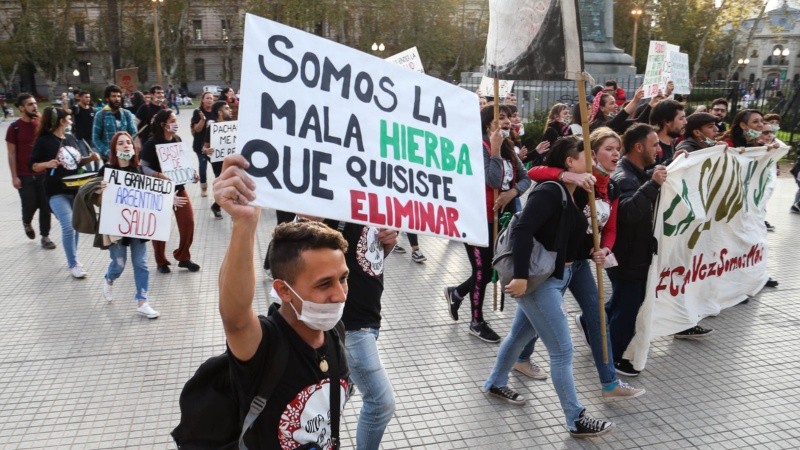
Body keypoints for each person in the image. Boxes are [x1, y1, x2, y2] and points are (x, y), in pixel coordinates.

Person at [482, 136, 615, 438]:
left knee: (519, 335)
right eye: (586, 155)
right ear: (570, 162)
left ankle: (495, 383)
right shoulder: (550, 191)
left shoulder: (574, 193)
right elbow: (523, 230)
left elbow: (567, 237)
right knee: (563, 352)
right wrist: (520, 276)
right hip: (538, 282)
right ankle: (576, 419)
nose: (593, 159)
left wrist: (592, 252)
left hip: (555, 277)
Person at [213, 158, 350, 448]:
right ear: (283, 291)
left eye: (343, 278)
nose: (340, 295)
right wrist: (244, 223)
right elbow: (235, 319)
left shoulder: (335, 333)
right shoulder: (265, 345)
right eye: (324, 284)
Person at [521, 128, 645, 399]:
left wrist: (604, 248)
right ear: (592, 154)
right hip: (554, 264)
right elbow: (534, 173)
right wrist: (567, 176)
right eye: (608, 149)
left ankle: (609, 383)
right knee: (529, 323)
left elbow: (610, 228)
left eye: (618, 148)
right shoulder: (577, 179)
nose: (616, 154)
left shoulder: (611, 186)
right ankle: (516, 361)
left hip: (580, 265)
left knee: (598, 317)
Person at [443, 104, 531, 343]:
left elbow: (526, 178)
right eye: (500, 118)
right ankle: (476, 321)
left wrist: (512, 192)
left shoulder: (509, 147)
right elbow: (492, 179)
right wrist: (494, 150)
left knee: (492, 268)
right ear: (486, 123)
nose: (507, 122)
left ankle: (457, 292)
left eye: (508, 117)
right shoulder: (477, 148)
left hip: (501, 220)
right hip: (476, 219)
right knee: (482, 270)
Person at [30, 107, 101, 278]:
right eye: (68, 118)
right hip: (55, 191)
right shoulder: (43, 141)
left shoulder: (70, 138)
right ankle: (73, 263)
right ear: (60, 121)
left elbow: (76, 162)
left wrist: (90, 158)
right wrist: (47, 164)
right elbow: (33, 166)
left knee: (75, 226)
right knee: (68, 225)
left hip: (75, 190)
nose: (70, 120)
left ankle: (73, 258)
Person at [96, 132, 160, 319]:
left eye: (128, 143)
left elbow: (150, 197)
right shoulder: (106, 171)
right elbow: (97, 202)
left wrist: (168, 201)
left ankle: (142, 302)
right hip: (115, 227)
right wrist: (101, 192)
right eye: (121, 143)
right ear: (114, 149)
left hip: (137, 226)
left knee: (141, 263)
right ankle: (109, 278)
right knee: (119, 263)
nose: (126, 146)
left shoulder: (139, 170)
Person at [139, 109, 200, 274]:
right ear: (163, 124)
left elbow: (182, 163)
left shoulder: (177, 139)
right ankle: (161, 261)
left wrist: (192, 174)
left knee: (188, 222)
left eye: (176, 120)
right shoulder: (151, 144)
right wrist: (159, 175)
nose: (176, 123)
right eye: (172, 121)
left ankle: (183, 257)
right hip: (159, 191)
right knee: (160, 226)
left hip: (178, 188)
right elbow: (143, 167)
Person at [5, 94, 56, 249]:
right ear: (21, 108)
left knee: (45, 205)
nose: (34, 106)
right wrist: (14, 177)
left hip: (43, 172)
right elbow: (11, 154)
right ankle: (27, 222)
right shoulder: (14, 128)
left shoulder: (41, 124)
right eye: (30, 104)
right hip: (24, 174)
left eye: (35, 103)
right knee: (30, 204)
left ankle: (45, 236)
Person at [202, 100, 234, 219]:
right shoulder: (212, 128)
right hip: (219, 163)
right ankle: (217, 206)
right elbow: (204, 147)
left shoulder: (233, 126)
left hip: (233, 161)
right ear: (220, 112)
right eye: (227, 108)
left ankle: (218, 206)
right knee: (224, 186)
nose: (230, 110)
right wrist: (206, 150)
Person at [92, 84, 137, 161]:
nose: (117, 99)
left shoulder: (126, 114)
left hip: (126, 156)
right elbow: (95, 138)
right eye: (113, 96)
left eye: (119, 96)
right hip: (109, 158)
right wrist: (108, 152)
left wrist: (127, 147)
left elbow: (133, 133)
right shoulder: (100, 115)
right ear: (107, 98)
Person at [649, 99, 687, 166]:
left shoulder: (672, 144)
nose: (685, 122)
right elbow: (646, 172)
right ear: (667, 122)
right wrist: (671, 162)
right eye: (681, 119)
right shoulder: (651, 149)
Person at [191, 91, 215, 197]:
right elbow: (197, 129)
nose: (210, 100)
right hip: (200, 146)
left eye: (211, 98)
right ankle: (204, 188)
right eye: (207, 98)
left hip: (213, 146)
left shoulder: (215, 111)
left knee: (217, 167)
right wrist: (202, 119)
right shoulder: (198, 112)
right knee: (203, 167)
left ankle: (220, 187)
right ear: (202, 100)